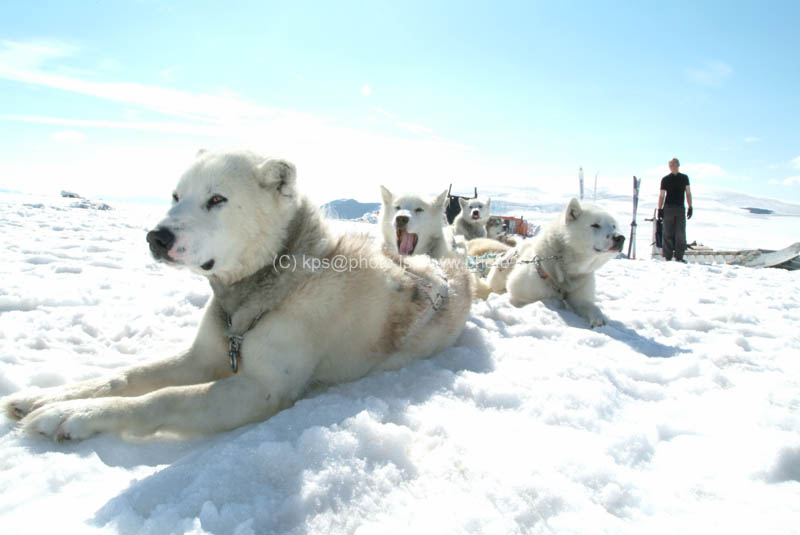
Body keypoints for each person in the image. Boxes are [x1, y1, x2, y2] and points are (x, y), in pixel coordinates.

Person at [657, 158, 693, 261]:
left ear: (678, 165)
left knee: (680, 234)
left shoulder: (684, 178)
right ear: (669, 166)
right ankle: (667, 257)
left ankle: (679, 257)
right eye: (671, 164)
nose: (673, 166)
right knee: (667, 232)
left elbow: (688, 193)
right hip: (668, 208)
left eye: (675, 164)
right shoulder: (665, 179)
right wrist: (660, 209)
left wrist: (690, 207)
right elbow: (662, 195)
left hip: (680, 208)